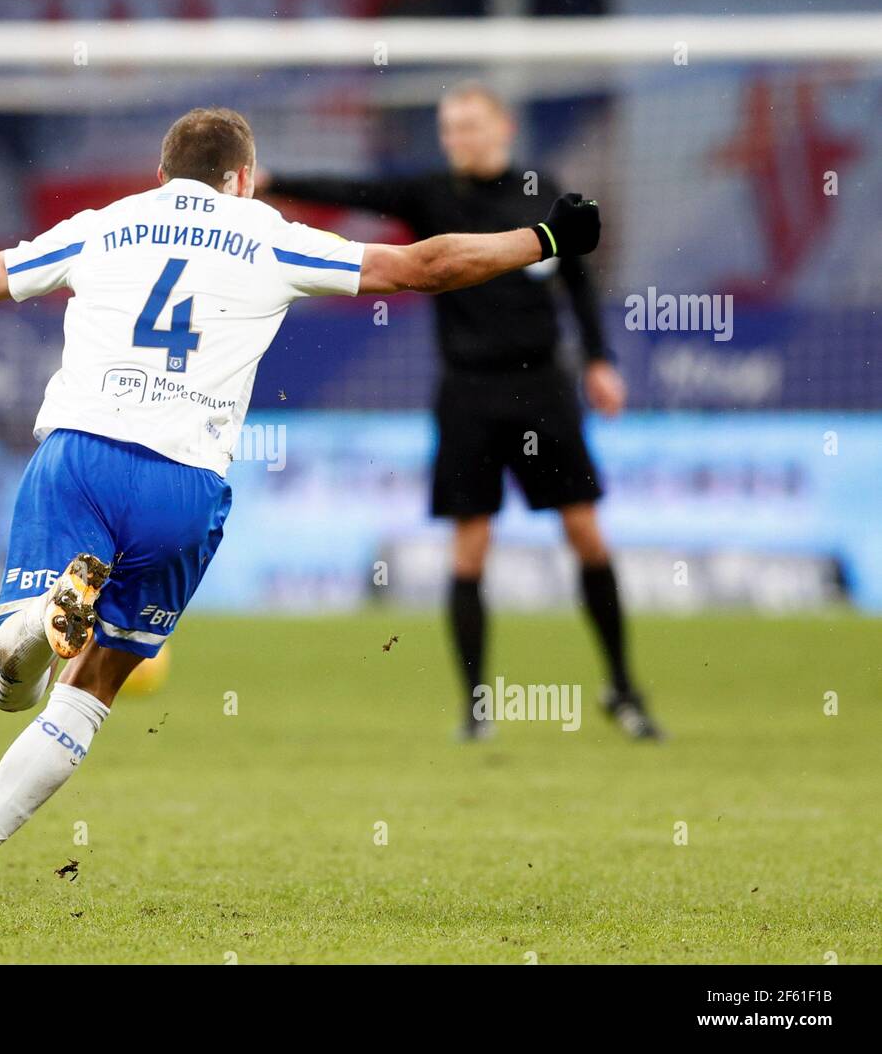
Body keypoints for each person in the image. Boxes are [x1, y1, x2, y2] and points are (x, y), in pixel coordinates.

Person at [0, 106, 601, 903]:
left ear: (160, 174)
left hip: (81, 455)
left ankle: (34, 624)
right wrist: (546, 240)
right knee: (92, 689)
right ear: (242, 179)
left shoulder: (105, 224)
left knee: (7, 688)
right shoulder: (268, 232)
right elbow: (424, 265)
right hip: (183, 485)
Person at [261, 82, 661, 741]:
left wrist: (597, 359)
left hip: (544, 390)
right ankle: (477, 708)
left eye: (470, 126)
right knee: (470, 548)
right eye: (449, 129)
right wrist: (274, 180)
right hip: (469, 393)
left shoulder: (541, 191)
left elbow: (579, 281)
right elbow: (354, 191)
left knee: (586, 533)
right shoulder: (431, 195)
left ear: (502, 126)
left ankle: (622, 688)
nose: (459, 139)